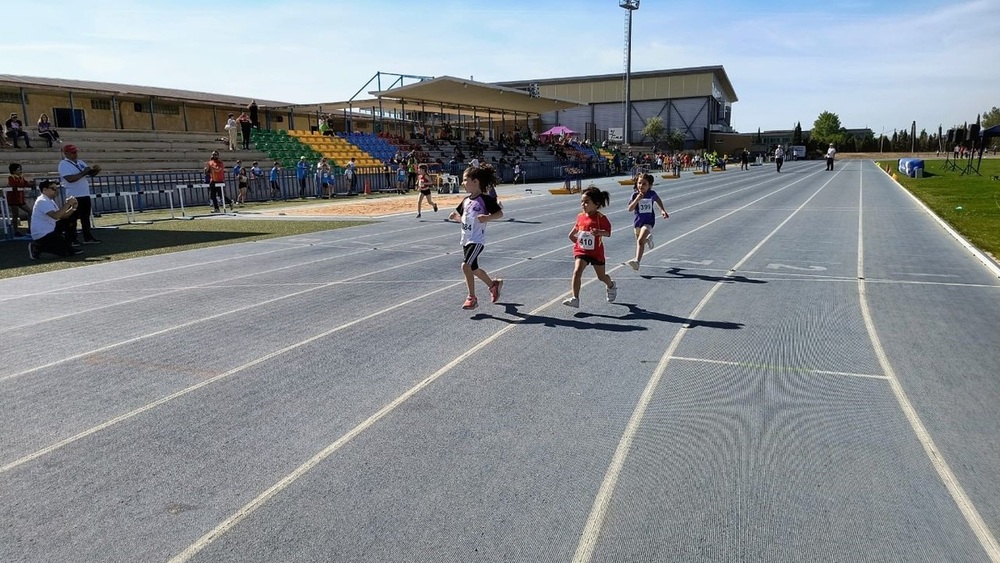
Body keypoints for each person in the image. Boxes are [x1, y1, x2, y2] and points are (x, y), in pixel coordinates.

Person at [447, 164, 504, 310]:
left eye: (465, 180)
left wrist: (487, 217)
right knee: (473, 269)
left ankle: (471, 297)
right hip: (466, 239)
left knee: (465, 265)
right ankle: (493, 285)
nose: (463, 183)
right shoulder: (466, 201)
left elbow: (500, 214)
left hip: (477, 240)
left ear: (476, 182)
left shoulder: (485, 200)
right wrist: (457, 218)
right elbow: (467, 220)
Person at [563, 185, 616, 308]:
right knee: (577, 271)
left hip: (596, 252)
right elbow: (575, 231)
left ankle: (611, 285)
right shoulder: (580, 216)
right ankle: (575, 298)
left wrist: (599, 232)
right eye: (582, 202)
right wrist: (574, 238)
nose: (583, 204)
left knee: (601, 277)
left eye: (586, 202)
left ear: (596, 204)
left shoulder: (601, 218)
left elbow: (608, 233)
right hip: (582, 251)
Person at [58, 144, 101, 244]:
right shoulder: (63, 164)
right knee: (72, 219)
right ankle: (72, 239)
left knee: (85, 218)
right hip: (73, 195)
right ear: (66, 153)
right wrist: (84, 173)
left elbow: (90, 174)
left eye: (76, 152)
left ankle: (88, 237)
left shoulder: (80, 162)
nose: (75, 154)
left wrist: (97, 170)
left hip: (84, 194)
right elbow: (70, 179)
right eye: (73, 152)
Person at [625, 173, 668, 271]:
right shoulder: (635, 195)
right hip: (638, 223)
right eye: (639, 183)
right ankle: (648, 240)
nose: (641, 186)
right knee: (640, 242)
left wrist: (662, 210)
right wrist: (637, 199)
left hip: (648, 221)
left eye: (644, 184)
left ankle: (637, 261)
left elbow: (658, 200)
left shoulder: (651, 194)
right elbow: (630, 209)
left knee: (640, 240)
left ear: (649, 186)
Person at [29, 180, 82, 259]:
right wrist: (68, 204)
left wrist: (73, 208)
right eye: (53, 188)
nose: (56, 190)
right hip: (43, 234)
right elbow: (55, 216)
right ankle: (36, 246)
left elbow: (62, 216)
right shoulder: (42, 201)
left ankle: (68, 245)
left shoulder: (49, 201)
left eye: (56, 188)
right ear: (44, 190)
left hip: (51, 230)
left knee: (70, 220)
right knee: (65, 252)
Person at [7, 162, 34, 236]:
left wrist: (30, 184)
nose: (21, 171)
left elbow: (25, 183)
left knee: (30, 212)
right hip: (13, 199)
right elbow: (15, 185)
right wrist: (26, 185)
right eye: (19, 169)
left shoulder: (21, 177)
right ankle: (16, 231)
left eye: (21, 169)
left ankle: (30, 228)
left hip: (20, 199)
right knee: (15, 215)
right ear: (14, 171)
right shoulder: (11, 177)